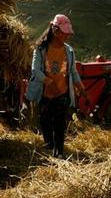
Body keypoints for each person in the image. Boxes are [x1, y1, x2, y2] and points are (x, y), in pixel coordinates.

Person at [26, 14, 85, 158]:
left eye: (68, 33)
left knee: (60, 123)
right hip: (45, 93)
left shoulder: (69, 50)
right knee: (45, 120)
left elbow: (72, 71)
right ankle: (49, 145)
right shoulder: (41, 49)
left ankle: (59, 152)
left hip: (62, 92)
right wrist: (49, 82)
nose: (67, 36)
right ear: (55, 30)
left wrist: (80, 87)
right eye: (65, 33)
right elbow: (35, 70)